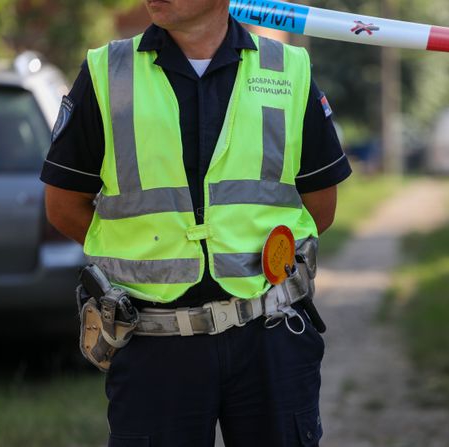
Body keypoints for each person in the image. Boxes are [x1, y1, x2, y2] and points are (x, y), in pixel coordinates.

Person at [40, 0, 352, 445]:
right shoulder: (108, 72)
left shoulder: (288, 69)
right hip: (154, 344)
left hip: (270, 336)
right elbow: (63, 205)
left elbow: (320, 205)